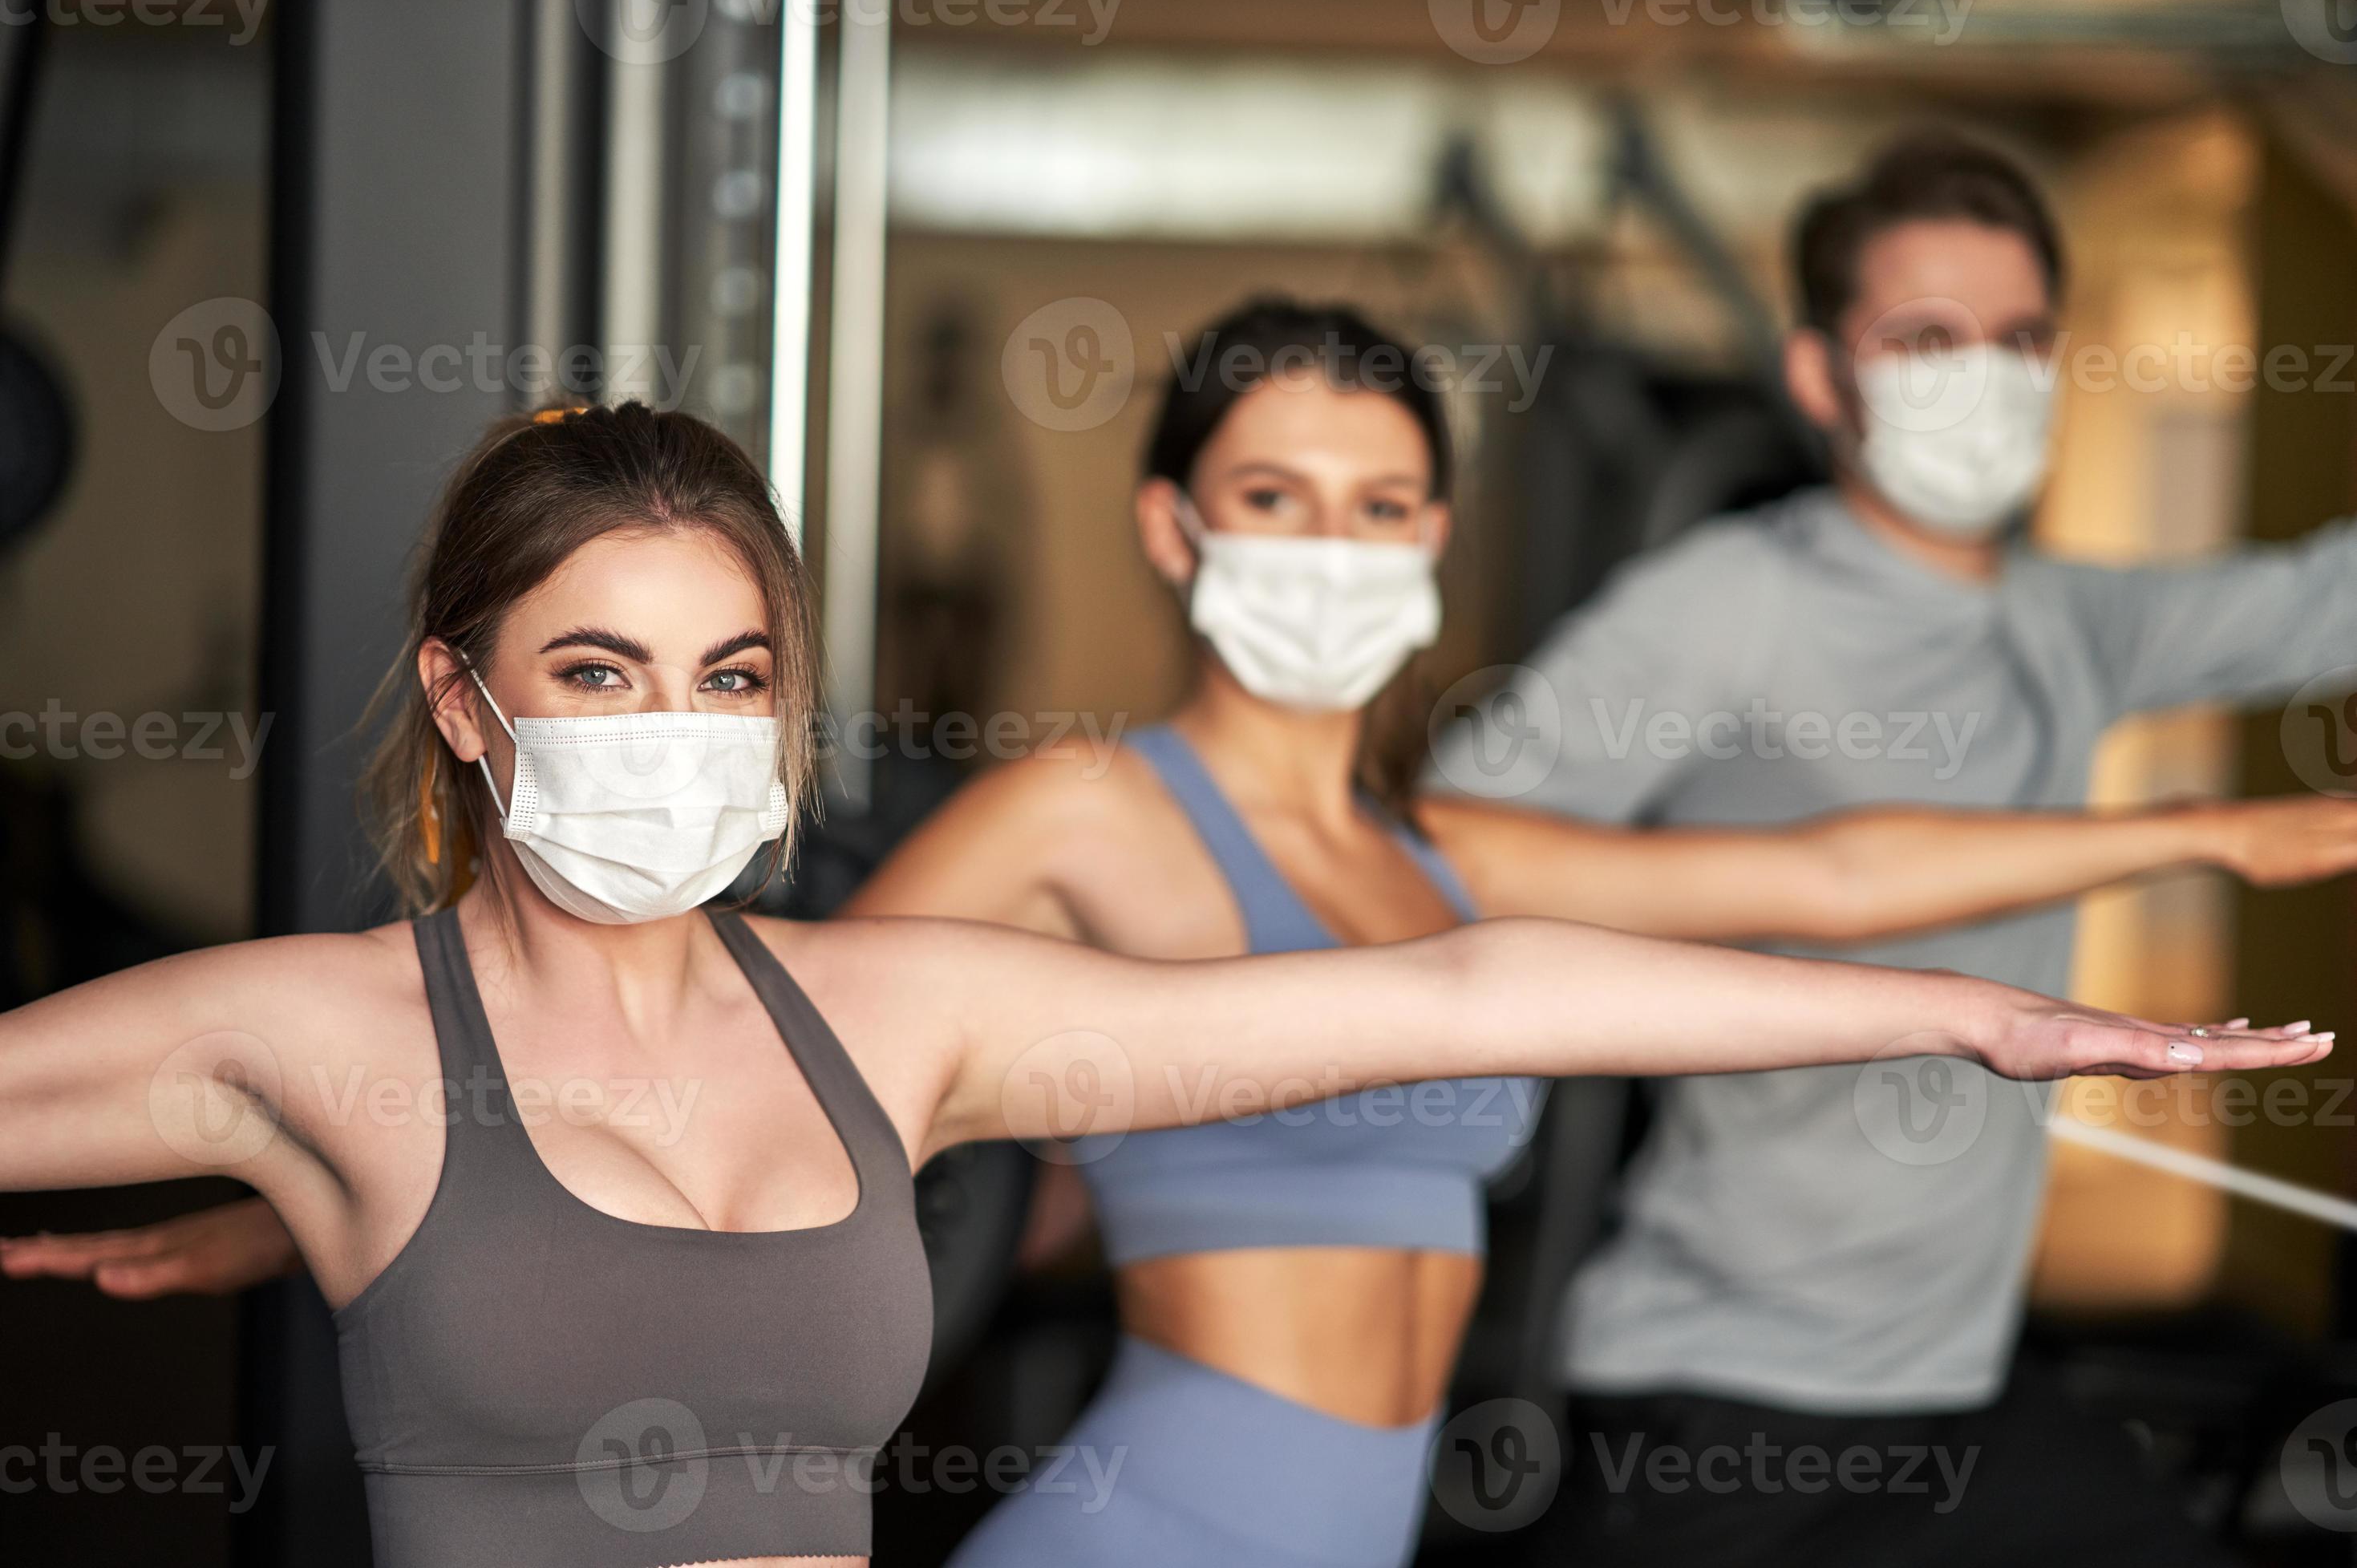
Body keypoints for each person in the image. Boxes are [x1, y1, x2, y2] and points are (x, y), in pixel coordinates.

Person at [7, 318, 2352, 1568]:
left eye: (727, 678)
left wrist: (1987, 1017)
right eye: (596, 671)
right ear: (465, 697)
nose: (672, 733)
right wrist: (275, 1210)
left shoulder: (898, 1020)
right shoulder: (308, 1033)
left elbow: (1470, 990)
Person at [1430, 133, 2357, 1566]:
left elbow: (2322, 602)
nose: (1983, 377)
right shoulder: (1732, 603)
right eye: (1927, 338)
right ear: (1820, 378)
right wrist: (1790, 886)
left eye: (2020, 339)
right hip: (1718, 1394)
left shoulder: (2070, 622)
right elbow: (1450, 845)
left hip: (1958, 1389)